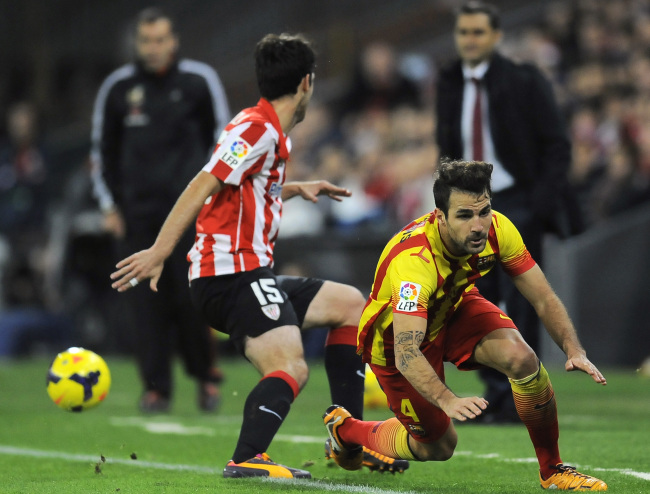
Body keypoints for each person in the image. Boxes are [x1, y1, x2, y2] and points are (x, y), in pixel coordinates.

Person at [110, 32, 408, 479]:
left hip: (248, 272)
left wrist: (289, 189)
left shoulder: (265, 128)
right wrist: (159, 250)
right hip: (229, 275)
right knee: (289, 365)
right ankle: (247, 457)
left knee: (351, 305)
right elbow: (203, 185)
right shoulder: (256, 129)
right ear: (307, 83)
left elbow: (240, 190)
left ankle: (348, 436)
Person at [323, 160, 607, 491]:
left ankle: (553, 469)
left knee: (522, 359)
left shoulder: (498, 229)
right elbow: (405, 352)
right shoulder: (414, 263)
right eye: (464, 215)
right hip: (394, 342)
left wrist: (574, 350)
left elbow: (543, 298)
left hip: (452, 308)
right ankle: (346, 430)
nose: (478, 225)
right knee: (438, 447)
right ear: (440, 217)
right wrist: (446, 399)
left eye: (483, 211)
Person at [435, 1, 583, 423]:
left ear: (496, 37)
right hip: (465, 206)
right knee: (474, 297)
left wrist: (537, 205)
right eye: (464, 32)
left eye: (478, 32)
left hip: (516, 199)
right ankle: (495, 394)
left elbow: (557, 145)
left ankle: (522, 395)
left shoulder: (524, 80)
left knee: (522, 298)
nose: (470, 40)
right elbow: (446, 144)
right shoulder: (449, 82)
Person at [90, 7, 231, 412]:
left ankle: (206, 380)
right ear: (137, 44)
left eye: (160, 40)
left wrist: (211, 197)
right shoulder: (118, 88)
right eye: (145, 41)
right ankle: (156, 388)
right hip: (138, 213)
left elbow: (221, 142)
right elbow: (103, 151)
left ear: (174, 41)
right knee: (144, 303)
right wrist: (108, 205)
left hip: (189, 213)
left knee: (192, 296)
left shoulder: (198, 81)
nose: (153, 48)